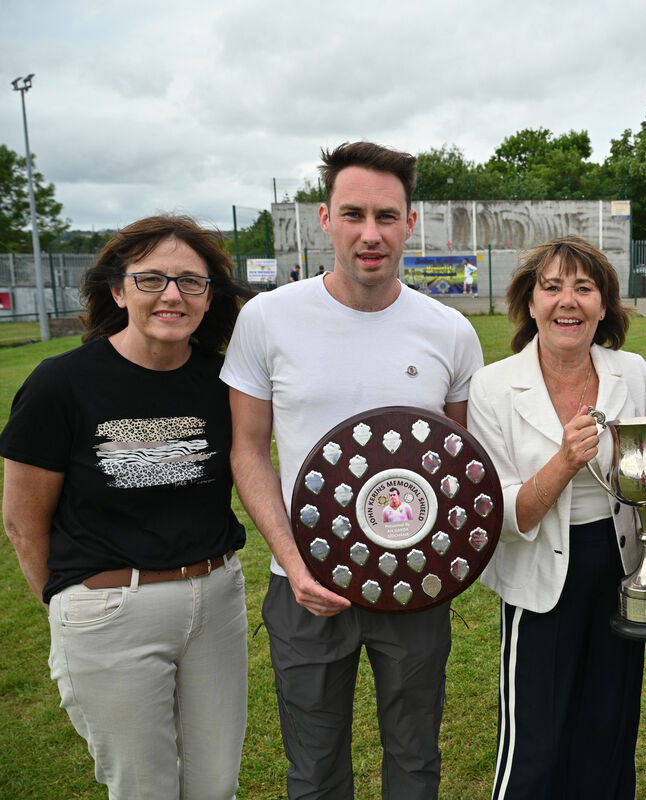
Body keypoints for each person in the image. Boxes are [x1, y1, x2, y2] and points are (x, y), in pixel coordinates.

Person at [221, 141, 484, 799]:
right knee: (313, 771)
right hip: (305, 586)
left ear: (410, 224)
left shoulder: (449, 331)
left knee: (416, 760)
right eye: (355, 214)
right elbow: (247, 449)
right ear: (325, 218)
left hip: (416, 587)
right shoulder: (266, 320)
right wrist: (293, 560)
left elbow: (461, 465)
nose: (372, 234)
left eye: (387, 216)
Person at [0, 214, 255, 799]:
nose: (172, 294)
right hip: (110, 610)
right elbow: (21, 523)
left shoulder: (222, 382)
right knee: (145, 791)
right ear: (118, 290)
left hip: (216, 601)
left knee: (216, 787)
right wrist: (73, 612)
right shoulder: (61, 383)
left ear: (208, 296)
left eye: (191, 281)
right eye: (152, 279)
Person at [467, 235, 646, 799]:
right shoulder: (493, 387)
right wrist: (566, 461)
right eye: (552, 288)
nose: (567, 301)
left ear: (603, 306)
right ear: (529, 303)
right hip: (540, 570)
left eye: (584, 288)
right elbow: (498, 511)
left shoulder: (632, 372)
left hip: (620, 567)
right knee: (536, 740)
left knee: (609, 726)